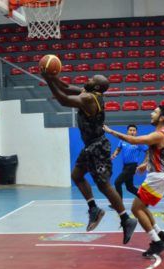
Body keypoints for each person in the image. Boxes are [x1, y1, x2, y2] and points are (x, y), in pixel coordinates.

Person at [40, 70, 137, 244]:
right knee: (76, 175)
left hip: (98, 147)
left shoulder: (90, 99)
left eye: (92, 79)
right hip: (90, 146)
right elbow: (67, 87)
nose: (88, 79)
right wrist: (53, 78)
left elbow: (63, 100)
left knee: (104, 185)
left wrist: (48, 81)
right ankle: (94, 209)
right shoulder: (88, 93)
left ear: (97, 86)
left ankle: (126, 220)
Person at [103, 105, 164, 258]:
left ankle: (157, 242)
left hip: (158, 177)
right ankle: (161, 233)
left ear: (161, 118)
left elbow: (133, 140)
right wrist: (146, 164)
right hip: (158, 175)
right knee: (142, 206)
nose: (151, 113)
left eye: (154, 112)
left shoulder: (159, 134)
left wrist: (111, 131)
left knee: (135, 209)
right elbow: (157, 154)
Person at [111, 124, 148, 201]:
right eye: (130, 130)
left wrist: (144, 163)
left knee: (117, 182)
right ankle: (145, 199)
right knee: (130, 187)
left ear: (136, 132)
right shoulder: (122, 140)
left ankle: (119, 203)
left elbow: (148, 152)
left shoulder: (138, 142)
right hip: (125, 166)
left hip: (132, 166)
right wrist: (115, 154)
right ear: (127, 131)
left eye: (134, 130)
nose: (132, 132)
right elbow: (118, 149)